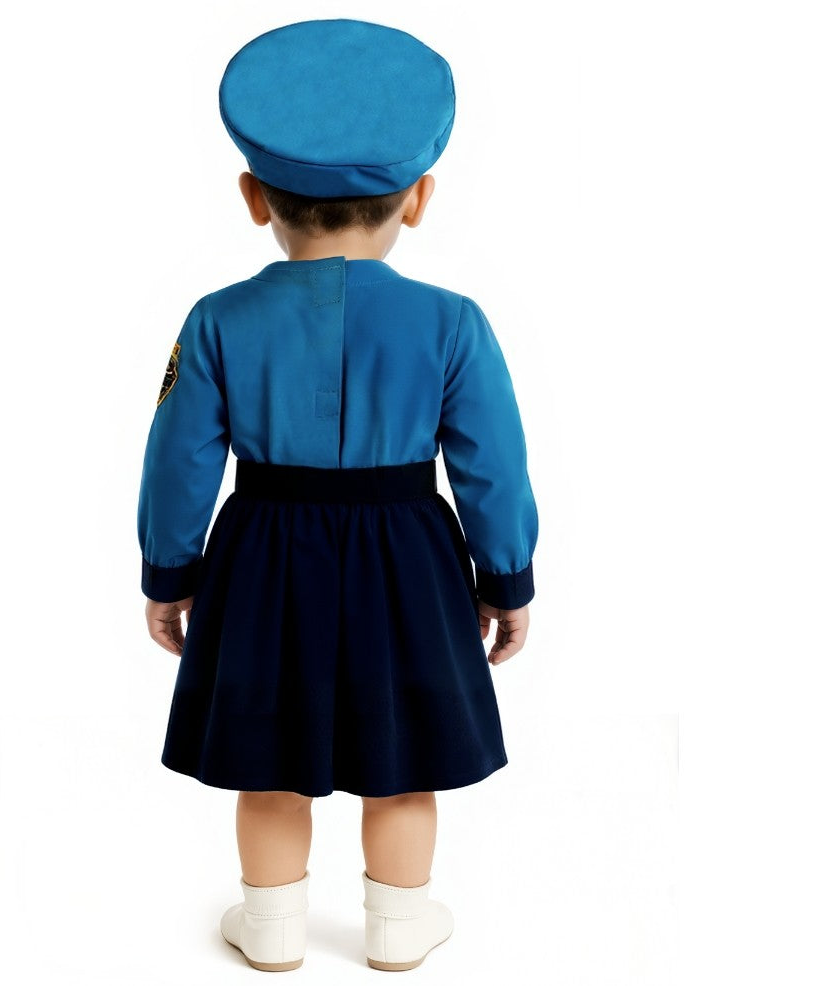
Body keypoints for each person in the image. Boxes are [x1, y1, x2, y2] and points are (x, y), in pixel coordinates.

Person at [137, 18, 539, 974]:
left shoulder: (216, 320)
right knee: (402, 755)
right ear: (421, 198)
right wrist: (506, 580)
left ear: (253, 197)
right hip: (409, 555)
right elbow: (492, 465)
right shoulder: (454, 323)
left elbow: (177, 460)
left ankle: (272, 928)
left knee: (269, 755)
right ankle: (398, 926)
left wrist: (169, 574)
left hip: (262, 552)